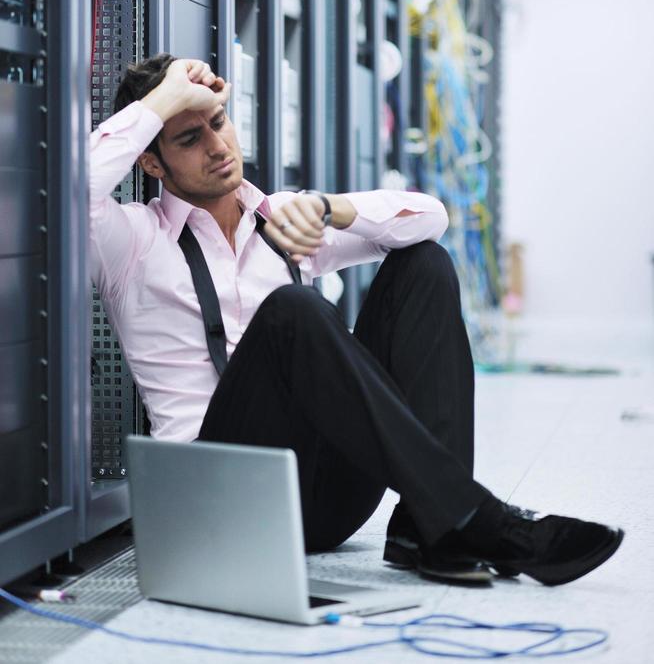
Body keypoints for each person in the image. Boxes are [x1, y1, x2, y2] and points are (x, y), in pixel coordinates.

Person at [90, 53, 623, 587]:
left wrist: (329, 208)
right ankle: (476, 518)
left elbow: (431, 218)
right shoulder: (132, 242)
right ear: (152, 162)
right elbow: (74, 191)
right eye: (188, 138)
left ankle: (431, 529)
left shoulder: (283, 219)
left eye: (219, 123)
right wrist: (164, 102)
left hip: (327, 499)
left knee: (425, 264)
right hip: (224, 496)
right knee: (293, 311)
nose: (218, 147)